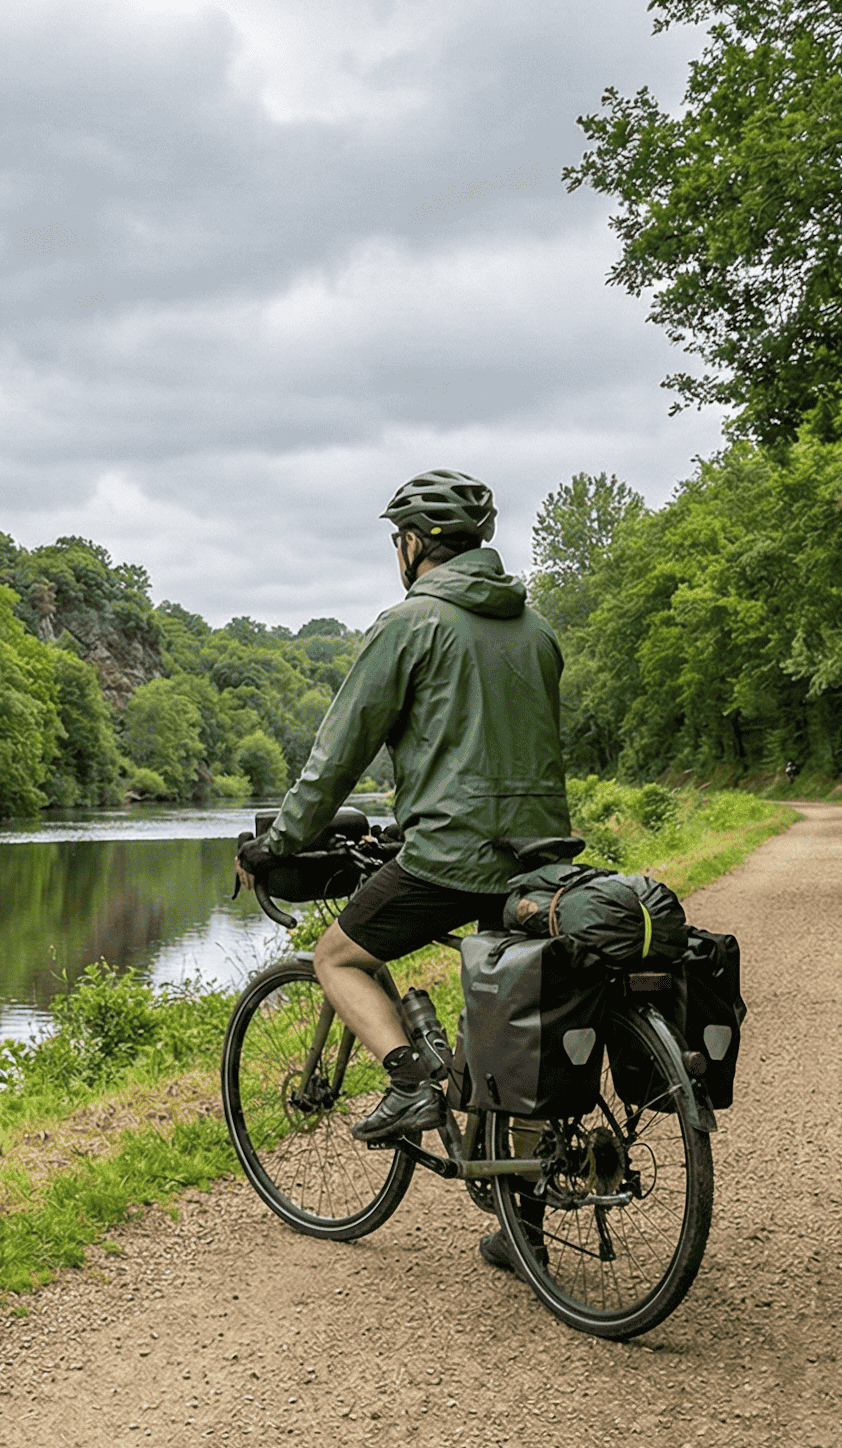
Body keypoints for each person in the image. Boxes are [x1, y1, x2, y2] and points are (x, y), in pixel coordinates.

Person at [233, 469, 567, 1270]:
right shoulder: (537, 631)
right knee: (506, 1023)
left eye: (398, 540)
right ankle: (524, 1229)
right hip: (540, 859)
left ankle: (410, 1080)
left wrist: (280, 841)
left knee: (338, 955)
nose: (398, 553)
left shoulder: (412, 624)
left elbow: (337, 753)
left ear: (417, 543)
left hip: (452, 857)